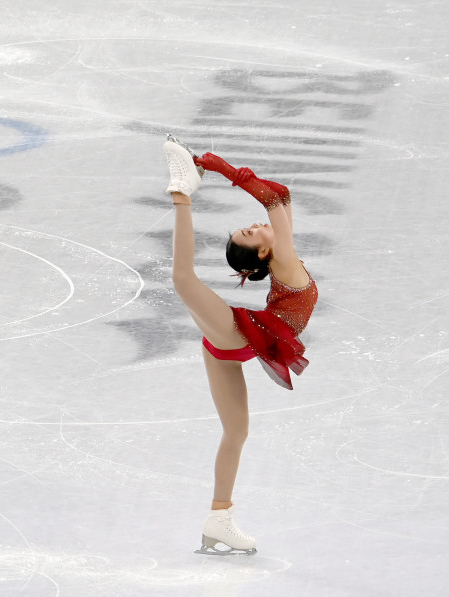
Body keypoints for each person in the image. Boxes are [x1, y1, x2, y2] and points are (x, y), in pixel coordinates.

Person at [161, 135, 319, 555]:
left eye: (249, 228)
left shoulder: (285, 254)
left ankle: (219, 520)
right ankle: (181, 191)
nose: (255, 224)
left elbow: (279, 196)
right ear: (264, 251)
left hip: (231, 350)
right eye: (250, 232)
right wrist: (221, 169)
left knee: (237, 431)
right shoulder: (282, 256)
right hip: (237, 334)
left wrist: (224, 170)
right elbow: (273, 198)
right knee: (183, 279)